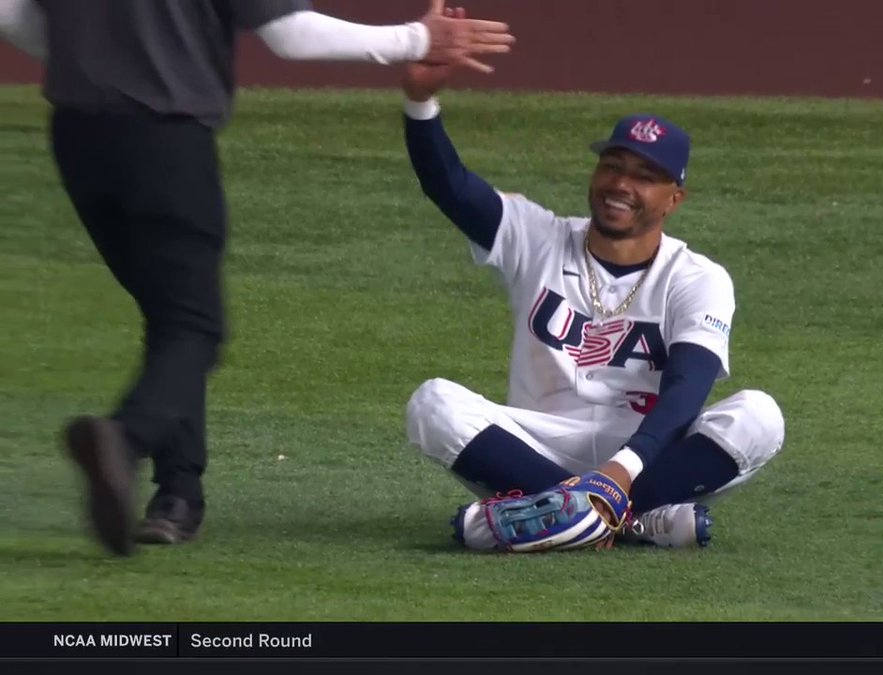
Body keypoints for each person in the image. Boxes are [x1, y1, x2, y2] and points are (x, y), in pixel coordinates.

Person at [0, 0, 515, 556]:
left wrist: (92, 61)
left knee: (169, 315)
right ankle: (125, 441)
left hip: (78, 138)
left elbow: (11, 14)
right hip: (164, 141)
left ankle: (178, 497)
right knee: (195, 327)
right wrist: (417, 39)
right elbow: (291, 36)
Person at [398, 58, 786, 551]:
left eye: (645, 176)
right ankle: (635, 522)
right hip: (535, 446)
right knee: (432, 403)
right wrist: (420, 103)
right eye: (612, 166)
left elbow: (687, 388)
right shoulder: (536, 236)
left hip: (650, 457)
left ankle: (556, 516)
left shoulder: (697, 278)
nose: (621, 185)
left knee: (760, 416)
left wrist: (622, 470)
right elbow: (449, 185)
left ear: (674, 199)